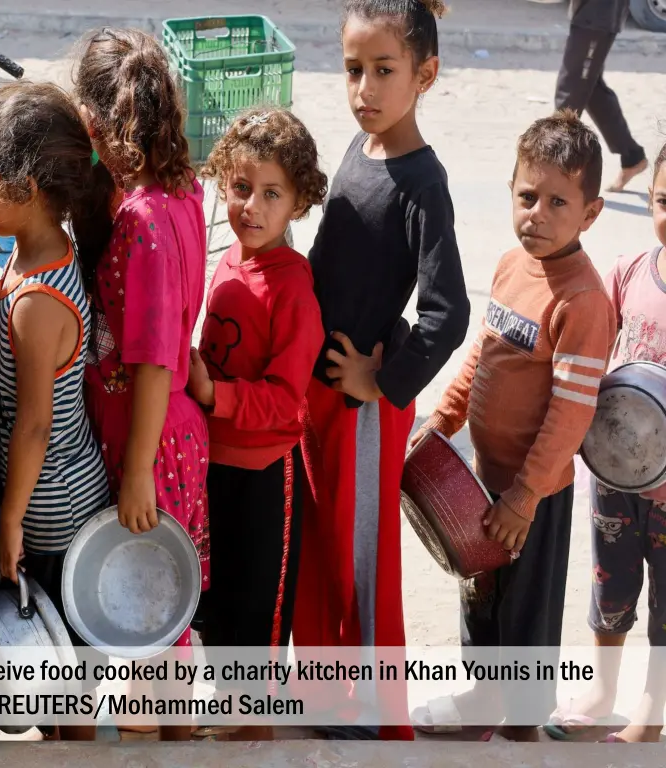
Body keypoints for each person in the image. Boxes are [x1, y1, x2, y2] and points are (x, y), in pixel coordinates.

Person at [293, 0, 470, 741]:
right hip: (317, 396)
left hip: (364, 407)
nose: (364, 89)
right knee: (320, 544)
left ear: (425, 74)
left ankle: (368, 713)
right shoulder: (358, 153)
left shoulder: (423, 183)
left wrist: (381, 384)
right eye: (353, 70)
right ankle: (324, 695)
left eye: (384, 71)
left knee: (363, 559)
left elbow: (448, 313)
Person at [412, 111, 617, 742]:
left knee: (526, 613)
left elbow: (570, 412)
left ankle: (522, 729)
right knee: (480, 595)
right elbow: (484, 355)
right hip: (483, 480)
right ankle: (481, 699)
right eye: (527, 196)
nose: (538, 213)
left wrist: (525, 497)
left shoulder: (582, 301)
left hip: (534, 497)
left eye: (559, 202)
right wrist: (442, 421)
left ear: (591, 213)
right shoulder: (509, 265)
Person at [0, 80, 114, 741]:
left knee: (62, 670)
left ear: (30, 189)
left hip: (50, 504)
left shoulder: (36, 302)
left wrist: (12, 521)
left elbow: (36, 424)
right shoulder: (44, 255)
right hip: (62, 487)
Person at [74, 27, 209, 742]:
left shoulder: (145, 220)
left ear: (97, 126)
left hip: (150, 444)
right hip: (164, 432)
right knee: (162, 607)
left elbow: (157, 358)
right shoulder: (180, 192)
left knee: (157, 610)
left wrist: (134, 473)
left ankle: (167, 738)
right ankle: (160, 727)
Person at [187, 108, 327, 742]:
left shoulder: (293, 287)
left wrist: (216, 393)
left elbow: (289, 403)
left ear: (298, 202)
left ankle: (252, 726)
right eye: (241, 187)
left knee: (257, 608)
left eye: (272, 193)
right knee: (214, 602)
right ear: (221, 182)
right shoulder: (226, 265)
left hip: (268, 474)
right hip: (210, 465)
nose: (252, 206)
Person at [543, 141, 666, 745]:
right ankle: (602, 687)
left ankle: (653, 705)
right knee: (609, 584)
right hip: (613, 471)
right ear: (649, 201)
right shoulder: (627, 274)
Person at [556, 0, 647, 192]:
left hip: (598, 14)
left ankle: (555, 165)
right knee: (591, 89)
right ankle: (632, 156)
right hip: (589, 13)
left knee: (571, 89)